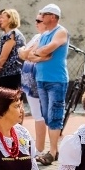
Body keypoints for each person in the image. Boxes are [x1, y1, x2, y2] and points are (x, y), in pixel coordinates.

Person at [24, 3, 69, 166]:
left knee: (54, 114)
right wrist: (41, 54)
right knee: (46, 114)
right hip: (42, 79)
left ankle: (53, 151)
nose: (40, 17)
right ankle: (52, 150)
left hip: (56, 79)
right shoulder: (44, 34)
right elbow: (29, 54)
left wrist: (39, 53)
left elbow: (48, 49)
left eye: (44, 14)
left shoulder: (61, 31)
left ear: (53, 17)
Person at [19, 13, 49, 157]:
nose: (36, 23)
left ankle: (40, 149)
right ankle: (39, 149)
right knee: (37, 114)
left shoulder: (47, 38)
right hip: (28, 81)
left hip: (38, 81)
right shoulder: (38, 37)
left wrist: (28, 53)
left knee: (39, 115)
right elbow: (23, 54)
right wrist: (28, 53)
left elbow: (31, 54)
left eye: (39, 21)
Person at [0, 9, 25, 90]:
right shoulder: (6, 34)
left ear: (10, 19)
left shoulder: (12, 34)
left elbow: (3, 57)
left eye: (2, 17)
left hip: (12, 75)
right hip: (6, 74)